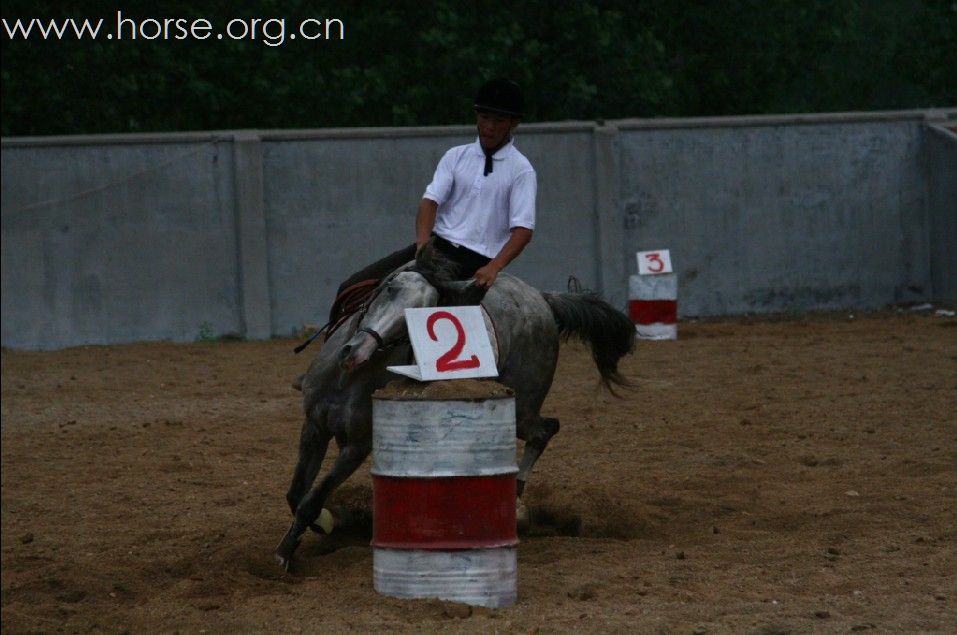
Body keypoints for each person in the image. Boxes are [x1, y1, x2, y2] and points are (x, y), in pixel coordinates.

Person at [327, 78, 536, 324]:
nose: (489, 127)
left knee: (430, 320)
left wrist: (494, 267)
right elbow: (430, 202)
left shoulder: (521, 170)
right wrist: (422, 244)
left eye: (498, 121)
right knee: (351, 288)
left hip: (476, 261)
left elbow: (523, 230)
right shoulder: (455, 156)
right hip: (435, 248)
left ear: (513, 123)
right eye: (484, 117)